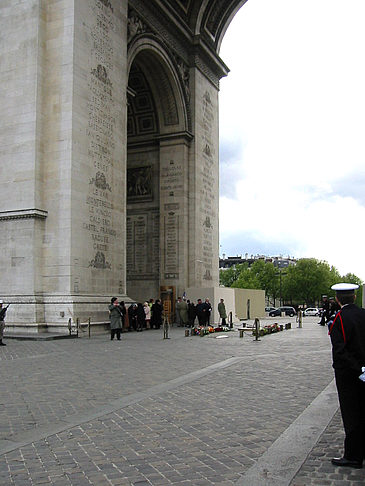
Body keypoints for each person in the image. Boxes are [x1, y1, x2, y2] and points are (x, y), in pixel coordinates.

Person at [328, 283, 365, 469]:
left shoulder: (340, 319)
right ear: (355, 297)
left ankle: (353, 455)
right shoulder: (363, 314)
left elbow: (340, 351)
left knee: (351, 415)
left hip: (349, 375)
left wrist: (357, 369)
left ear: (337, 299)